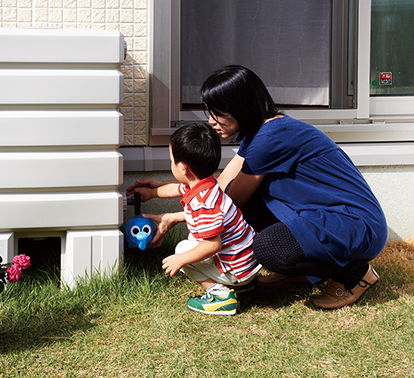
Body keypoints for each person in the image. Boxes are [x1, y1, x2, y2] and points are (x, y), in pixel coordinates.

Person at [128, 65, 387, 310]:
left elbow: (231, 201)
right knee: (249, 213)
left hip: (353, 224)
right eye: (210, 111)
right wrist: (164, 187)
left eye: (219, 112)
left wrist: (173, 217)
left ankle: (353, 273)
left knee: (269, 250)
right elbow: (218, 191)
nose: (212, 121)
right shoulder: (261, 132)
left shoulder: (271, 137)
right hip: (323, 217)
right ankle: (306, 274)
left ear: (242, 107)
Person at [134, 122, 261, 316]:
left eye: (171, 160)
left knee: (183, 249)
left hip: (237, 266)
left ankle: (221, 296)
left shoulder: (204, 204)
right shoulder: (206, 183)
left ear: (183, 168)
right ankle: (245, 286)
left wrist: (181, 260)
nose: (171, 164)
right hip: (246, 258)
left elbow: (212, 245)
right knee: (194, 239)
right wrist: (152, 191)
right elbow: (175, 188)